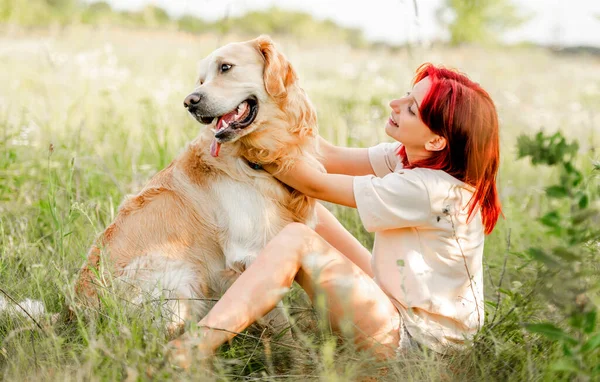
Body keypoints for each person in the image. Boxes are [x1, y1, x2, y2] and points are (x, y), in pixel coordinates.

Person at [168, 63, 502, 363]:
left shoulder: (431, 190)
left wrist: (244, 137)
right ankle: (244, 273)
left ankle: (196, 346)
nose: (394, 105)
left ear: (436, 142)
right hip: (395, 299)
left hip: (418, 344)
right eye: (404, 96)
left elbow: (316, 183)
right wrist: (281, 99)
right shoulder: (405, 156)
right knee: (311, 216)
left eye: (411, 108)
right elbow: (325, 154)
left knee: (299, 237)